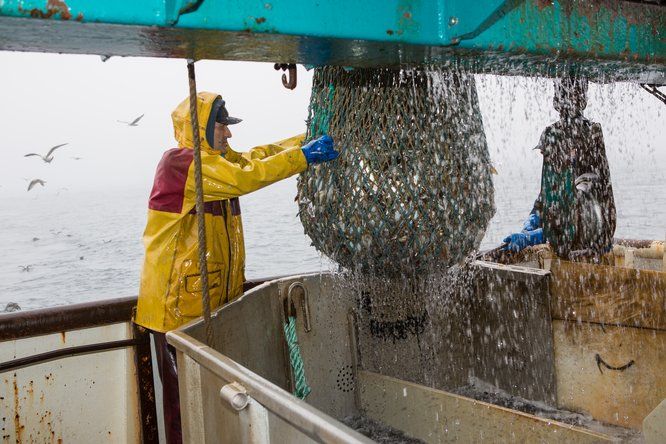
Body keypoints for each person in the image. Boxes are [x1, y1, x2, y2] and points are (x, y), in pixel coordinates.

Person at [134, 91, 338, 443]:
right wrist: (304, 157)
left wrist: (303, 140)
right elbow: (250, 176)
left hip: (207, 308)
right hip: (176, 314)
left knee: (213, 404)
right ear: (200, 128)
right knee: (185, 410)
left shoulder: (218, 165)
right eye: (222, 127)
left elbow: (258, 157)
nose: (229, 134)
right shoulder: (180, 164)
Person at [503, 77, 616, 260]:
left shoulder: (589, 138)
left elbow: (579, 210)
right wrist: (532, 221)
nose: (545, 156)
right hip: (566, 251)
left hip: (587, 254)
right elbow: (547, 197)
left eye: (547, 151)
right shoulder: (555, 147)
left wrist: (538, 235)